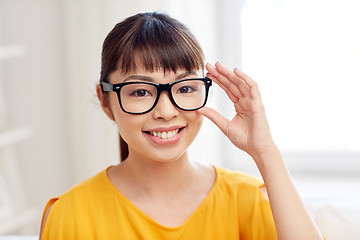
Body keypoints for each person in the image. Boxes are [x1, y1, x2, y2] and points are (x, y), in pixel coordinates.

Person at [39, 12, 324, 240]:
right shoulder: (69, 215)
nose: (166, 111)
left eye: (185, 88)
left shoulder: (248, 200)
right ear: (106, 101)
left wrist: (265, 151)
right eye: (140, 92)